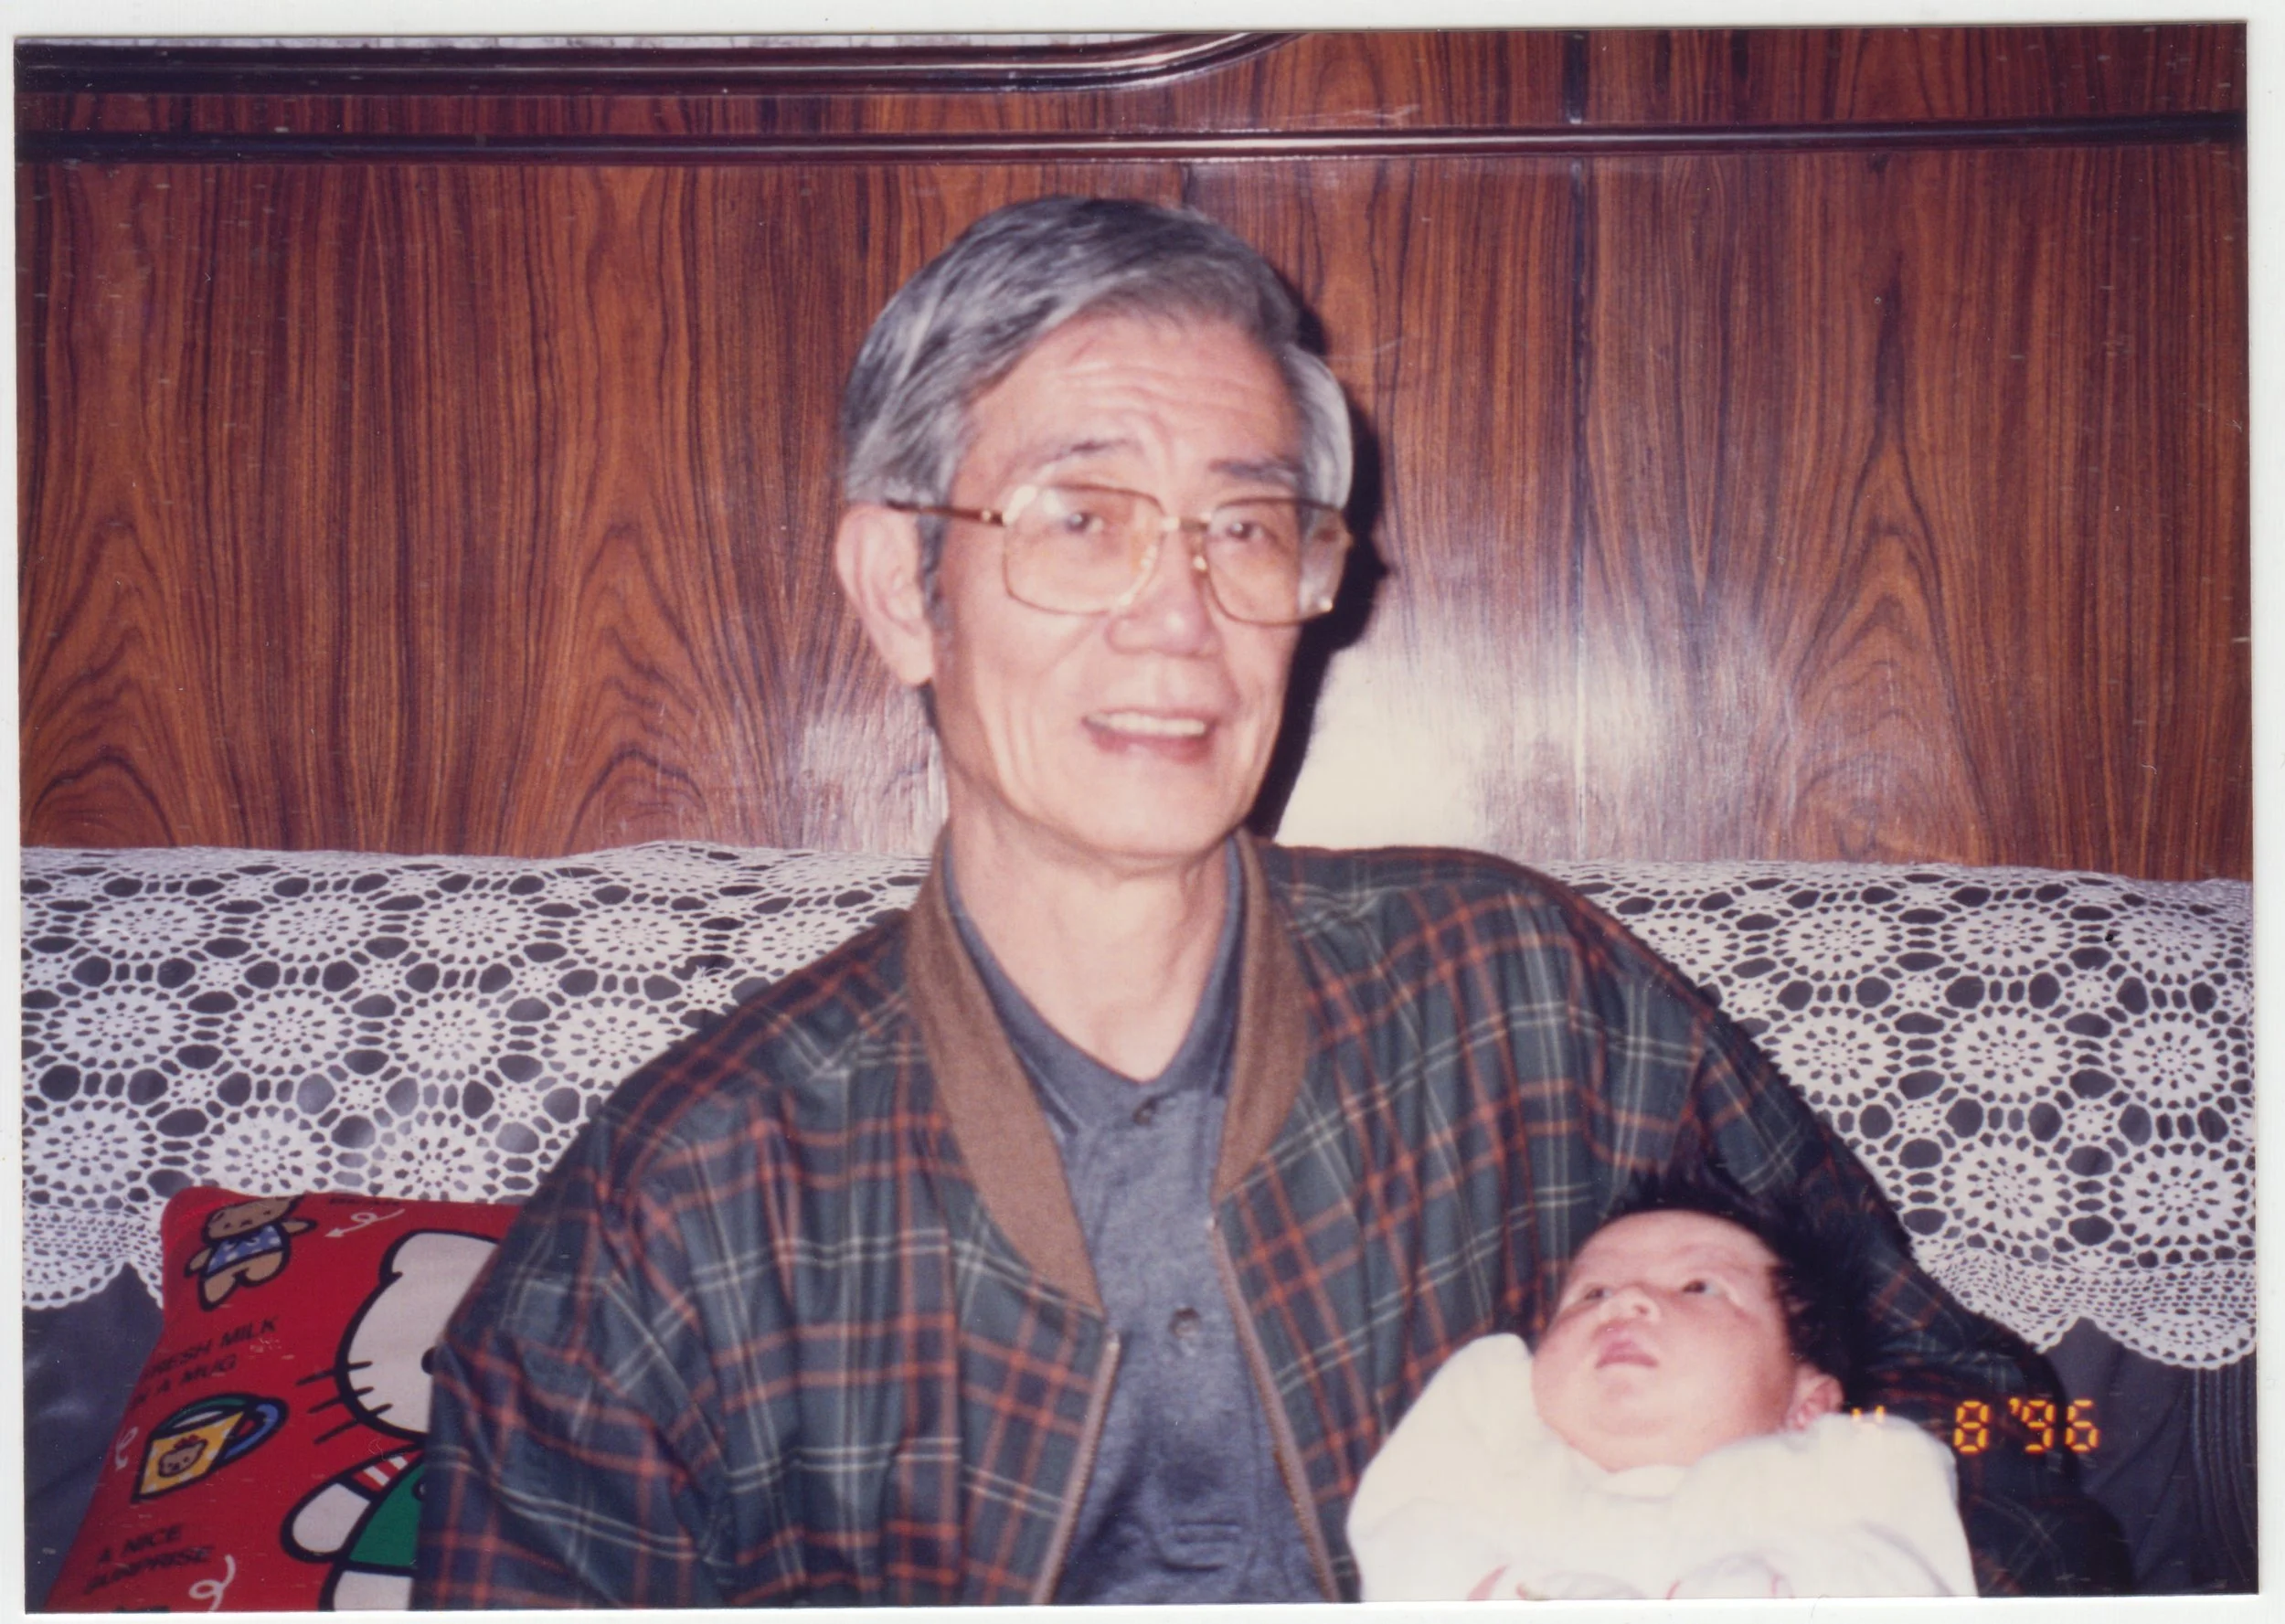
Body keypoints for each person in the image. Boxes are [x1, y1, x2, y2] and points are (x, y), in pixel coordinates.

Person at [412, 195, 2123, 1606]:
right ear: (901, 587)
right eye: (1081, 520)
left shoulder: (1527, 993)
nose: (1181, 617)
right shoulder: (689, 1195)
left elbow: (1982, 1411)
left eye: (1245, 530)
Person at [1347, 1176, 1976, 1600]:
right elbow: (1409, 1544)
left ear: (1806, 1401)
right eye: (1593, 1291)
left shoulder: (1846, 1467)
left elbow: (1901, 1581)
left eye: (1698, 1286)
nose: (1627, 1302)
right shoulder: (1492, 1425)